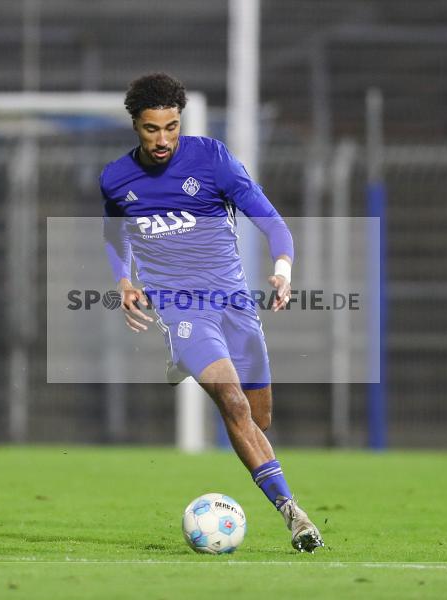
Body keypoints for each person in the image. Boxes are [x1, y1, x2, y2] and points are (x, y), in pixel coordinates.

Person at [99, 72, 323, 552]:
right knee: (233, 403)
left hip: (235, 305)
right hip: (182, 309)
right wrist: (124, 280)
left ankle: (193, 364)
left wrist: (283, 270)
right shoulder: (117, 179)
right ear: (135, 125)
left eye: (172, 127)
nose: (163, 140)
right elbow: (115, 236)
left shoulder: (213, 160)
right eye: (152, 129)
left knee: (258, 419)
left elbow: (272, 222)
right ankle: (296, 516)